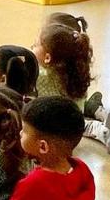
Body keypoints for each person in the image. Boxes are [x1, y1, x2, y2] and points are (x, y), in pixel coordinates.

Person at [32, 22, 109, 150]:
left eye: (35, 45)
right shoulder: (74, 67)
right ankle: (100, 111)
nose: (31, 47)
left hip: (68, 117)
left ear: (47, 57)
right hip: (77, 104)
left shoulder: (42, 76)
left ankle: (103, 131)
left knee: (79, 125)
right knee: (82, 105)